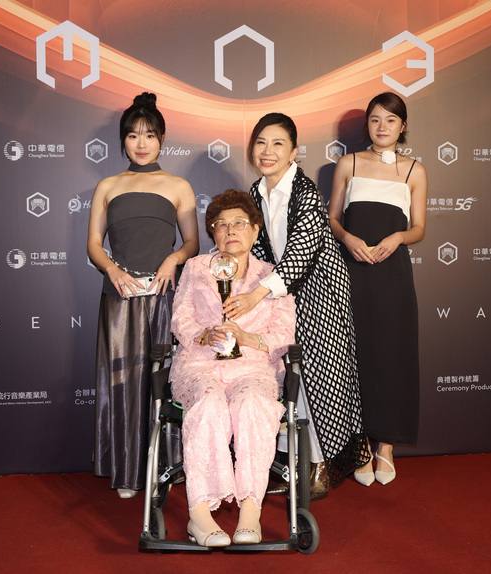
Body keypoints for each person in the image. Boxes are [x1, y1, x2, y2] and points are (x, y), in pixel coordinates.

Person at [222, 113, 371, 496]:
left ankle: (324, 463)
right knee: (284, 374)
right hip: (280, 296)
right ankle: (290, 462)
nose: (267, 152)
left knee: (324, 378)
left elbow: (303, 252)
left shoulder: (305, 193)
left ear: (293, 152)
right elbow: (254, 248)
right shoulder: (255, 193)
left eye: (277, 144)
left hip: (320, 293)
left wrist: (255, 295)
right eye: (260, 143)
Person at [87, 92, 199, 498]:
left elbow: (192, 243)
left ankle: (169, 468)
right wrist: (113, 270)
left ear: (162, 139)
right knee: (122, 382)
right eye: (133, 136)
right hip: (119, 297)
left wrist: (173, 260)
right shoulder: (107, 186)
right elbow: (94, 246)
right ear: (123, 141)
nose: (141, 143)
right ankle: (128, 471)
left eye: (149, 135)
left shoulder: (178, 185)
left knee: (165, 381)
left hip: (165, 296)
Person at [170, 190, 296, 547]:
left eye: (239, 223)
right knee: (209, 405)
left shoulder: (271, 277)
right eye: (221, 224)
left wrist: (246, 336)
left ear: (256, 231)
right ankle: (200, 515)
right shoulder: (196, 268)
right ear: (212, 232)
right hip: (201, 365)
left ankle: (250, 511)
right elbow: (181, 320)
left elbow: (283, 333)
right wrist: (203, 334)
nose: (230, 230)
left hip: (252, 368)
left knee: (253, 405)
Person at [328, 92, 427, 486]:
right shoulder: (348, 164)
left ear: (403, 126)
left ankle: (386, 446)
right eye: (374, 120)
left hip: (393, 274)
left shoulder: (414, 170)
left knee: (392, 354)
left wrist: (400, 237)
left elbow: (420, 227)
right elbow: (332, 218)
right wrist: (349, 239)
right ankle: (361, 446)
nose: (382, 126)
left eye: (390, 120)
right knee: (356, 355)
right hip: (351, 270)